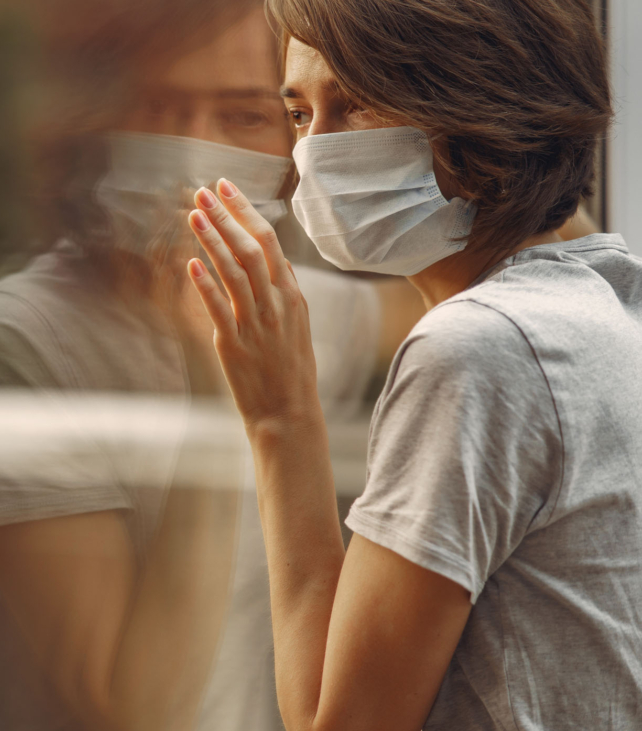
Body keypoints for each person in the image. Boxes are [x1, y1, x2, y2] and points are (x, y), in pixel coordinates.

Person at [0, 3, 403, 731]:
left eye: (242, 117)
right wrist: (216, 383)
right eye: (158, 107)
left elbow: (486, 296)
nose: (190, 150)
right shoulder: (11, 338)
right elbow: (131, 708)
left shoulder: (294, 308)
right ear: (102, 125)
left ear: (293, 145)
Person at [182, 0, 642, 729]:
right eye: (299, 114)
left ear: (475, 107)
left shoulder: (477, 350)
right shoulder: (608, 301)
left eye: (358, 104)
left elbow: (335, 723)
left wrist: (280, 416)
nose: (315, 156)